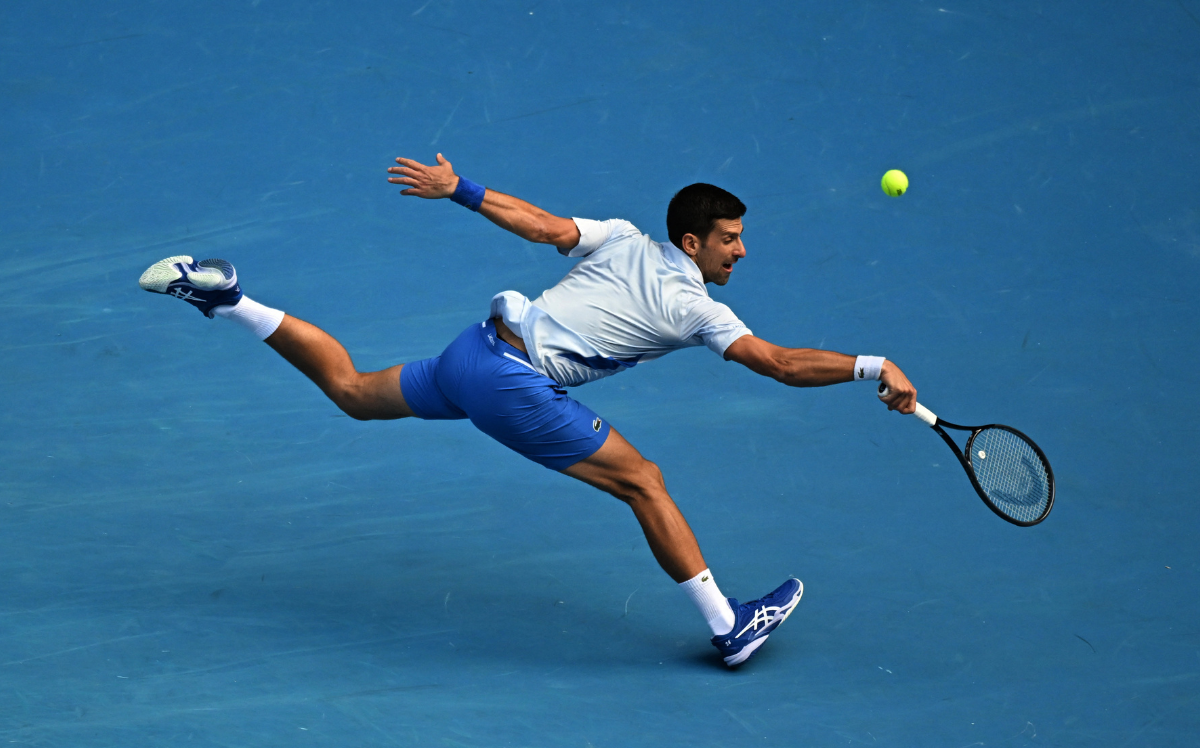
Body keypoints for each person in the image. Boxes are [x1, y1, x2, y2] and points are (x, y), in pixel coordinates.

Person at [138, 153, 918, 668]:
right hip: (513, 382)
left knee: (351, 391)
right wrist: (873, 366)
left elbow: (543, 226)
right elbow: (779, 365)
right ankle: (728, 626)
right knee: (643, 481)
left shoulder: (621, 237)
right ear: (694, 240)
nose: (739, 253)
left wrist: (462, 190)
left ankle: (230, 297)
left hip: (474, 352)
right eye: (730, 240)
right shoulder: (697, 308)